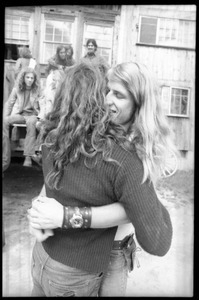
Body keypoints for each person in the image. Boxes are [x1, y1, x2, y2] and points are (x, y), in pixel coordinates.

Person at [27, 62, 174, 297]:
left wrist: (64, 216)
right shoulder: (93, 135)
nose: (106, 99)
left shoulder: (133, 150)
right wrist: (40, 209)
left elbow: (137, 212)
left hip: (112, 250)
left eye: (118, 94)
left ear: (140, 103)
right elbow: (59, 178)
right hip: (80, 255)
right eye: (106, 90)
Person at [3, 67, 40, 168]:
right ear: (23, 78)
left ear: (34, 79)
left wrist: (42, 117)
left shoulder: (37, 90)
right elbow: (9, 103)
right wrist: (6, 116)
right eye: (27, 77)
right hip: (21, 115)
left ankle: (28, 157)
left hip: (33, 115)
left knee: (31, 123)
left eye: (32, 78)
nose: (29, 80)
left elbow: (43, 104)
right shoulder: (17, 89)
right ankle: (5, 155)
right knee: (5, 121)